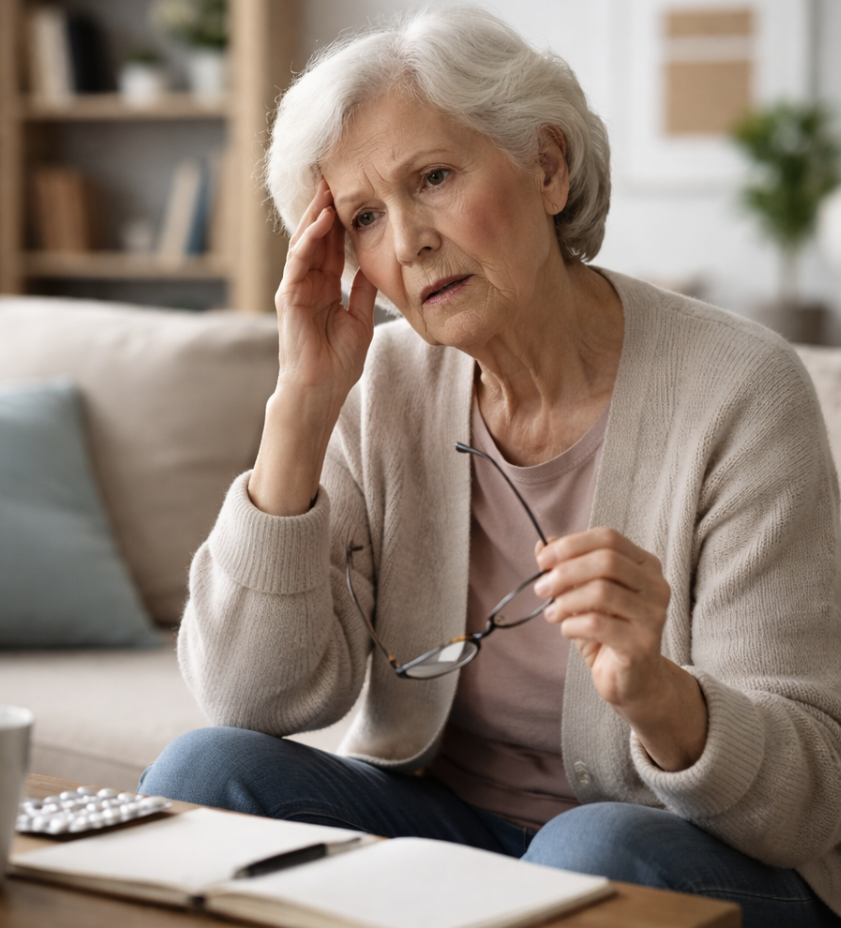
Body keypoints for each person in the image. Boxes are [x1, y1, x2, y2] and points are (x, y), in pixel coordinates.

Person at [140, 7, 841, 925]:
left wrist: (664, 700)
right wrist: (303, 404)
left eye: (432, 178)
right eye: (363, 218)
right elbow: (250, 696)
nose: (408, 240)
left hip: (675, 852)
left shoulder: (740, 389)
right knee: (203, 770)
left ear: (547, 168)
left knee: (586, 852)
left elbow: (810, 796)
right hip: (446, 827)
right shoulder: (383, 384)